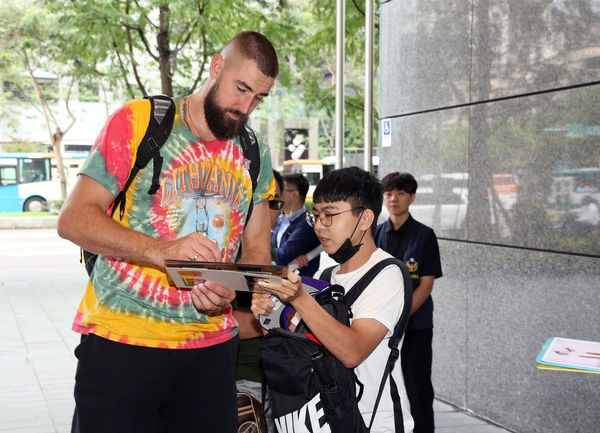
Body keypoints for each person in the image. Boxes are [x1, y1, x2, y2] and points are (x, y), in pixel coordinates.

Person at [57, 31, 279, 433]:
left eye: (259, 98)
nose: (246, 107)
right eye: (241, 89)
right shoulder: (140, 122)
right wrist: (160, 249)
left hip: (210, 354)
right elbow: (73, 219)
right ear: (216, 67)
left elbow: (258, 246)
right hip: (121, 344)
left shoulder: (254, 151)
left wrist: (234, 288)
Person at [252, 166, 414, 433]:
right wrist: (268, 314)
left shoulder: (387, 273)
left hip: (374, 423)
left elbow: (352, 351)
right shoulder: (325, 275)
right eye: (315, 216)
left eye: (330, 216)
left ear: (365, 219)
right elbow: (300, 343)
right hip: (326, 419)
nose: (319, 226)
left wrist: (301, 299)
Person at [375, 172, 443, 433]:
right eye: (389, 193)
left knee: (417, 386)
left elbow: (426, 285)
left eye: (400, 193)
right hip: (381, 324)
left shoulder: (425, 235)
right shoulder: (376, 233)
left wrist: (400, 316)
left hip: (416, 324)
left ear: (412, 197)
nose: (394, 199)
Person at [233, 169, 284, 433]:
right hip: (241, 380)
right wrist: (273, 324)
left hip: (272, 380)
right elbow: (212, 321)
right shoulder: (230, 250)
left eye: (273, 203)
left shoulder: (269, 249)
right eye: (260, 202)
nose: (268, 211)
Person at [271, 173, 321, 276]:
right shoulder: (279, 218)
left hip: (301, 286)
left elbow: (282, 257)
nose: (276, 193)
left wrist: (262, 248)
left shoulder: (307, 223)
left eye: (281, 189)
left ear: (294, 195)